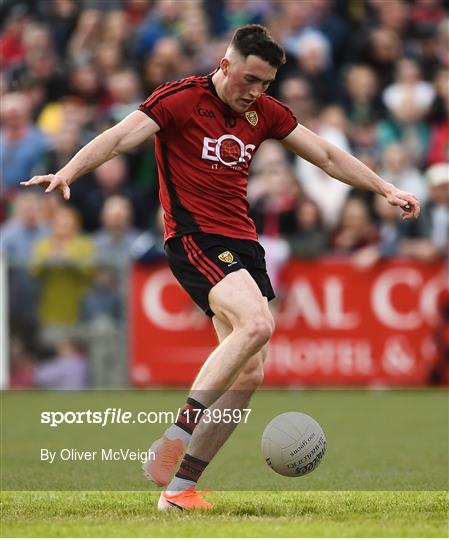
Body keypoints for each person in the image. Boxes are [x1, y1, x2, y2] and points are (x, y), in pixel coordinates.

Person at [21, 24, 420, 511]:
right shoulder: (181, 99)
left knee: (249, 373)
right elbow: (120, 137)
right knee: (257, 323)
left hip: (243, 244)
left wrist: (385, 189)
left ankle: (180, 490)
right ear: (225, 64)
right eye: (250, 79)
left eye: (266, 85)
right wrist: (68, 171)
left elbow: (328, 155)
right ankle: (176, 431)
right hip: (194, 237)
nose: (255, 92)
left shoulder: (263, 113)